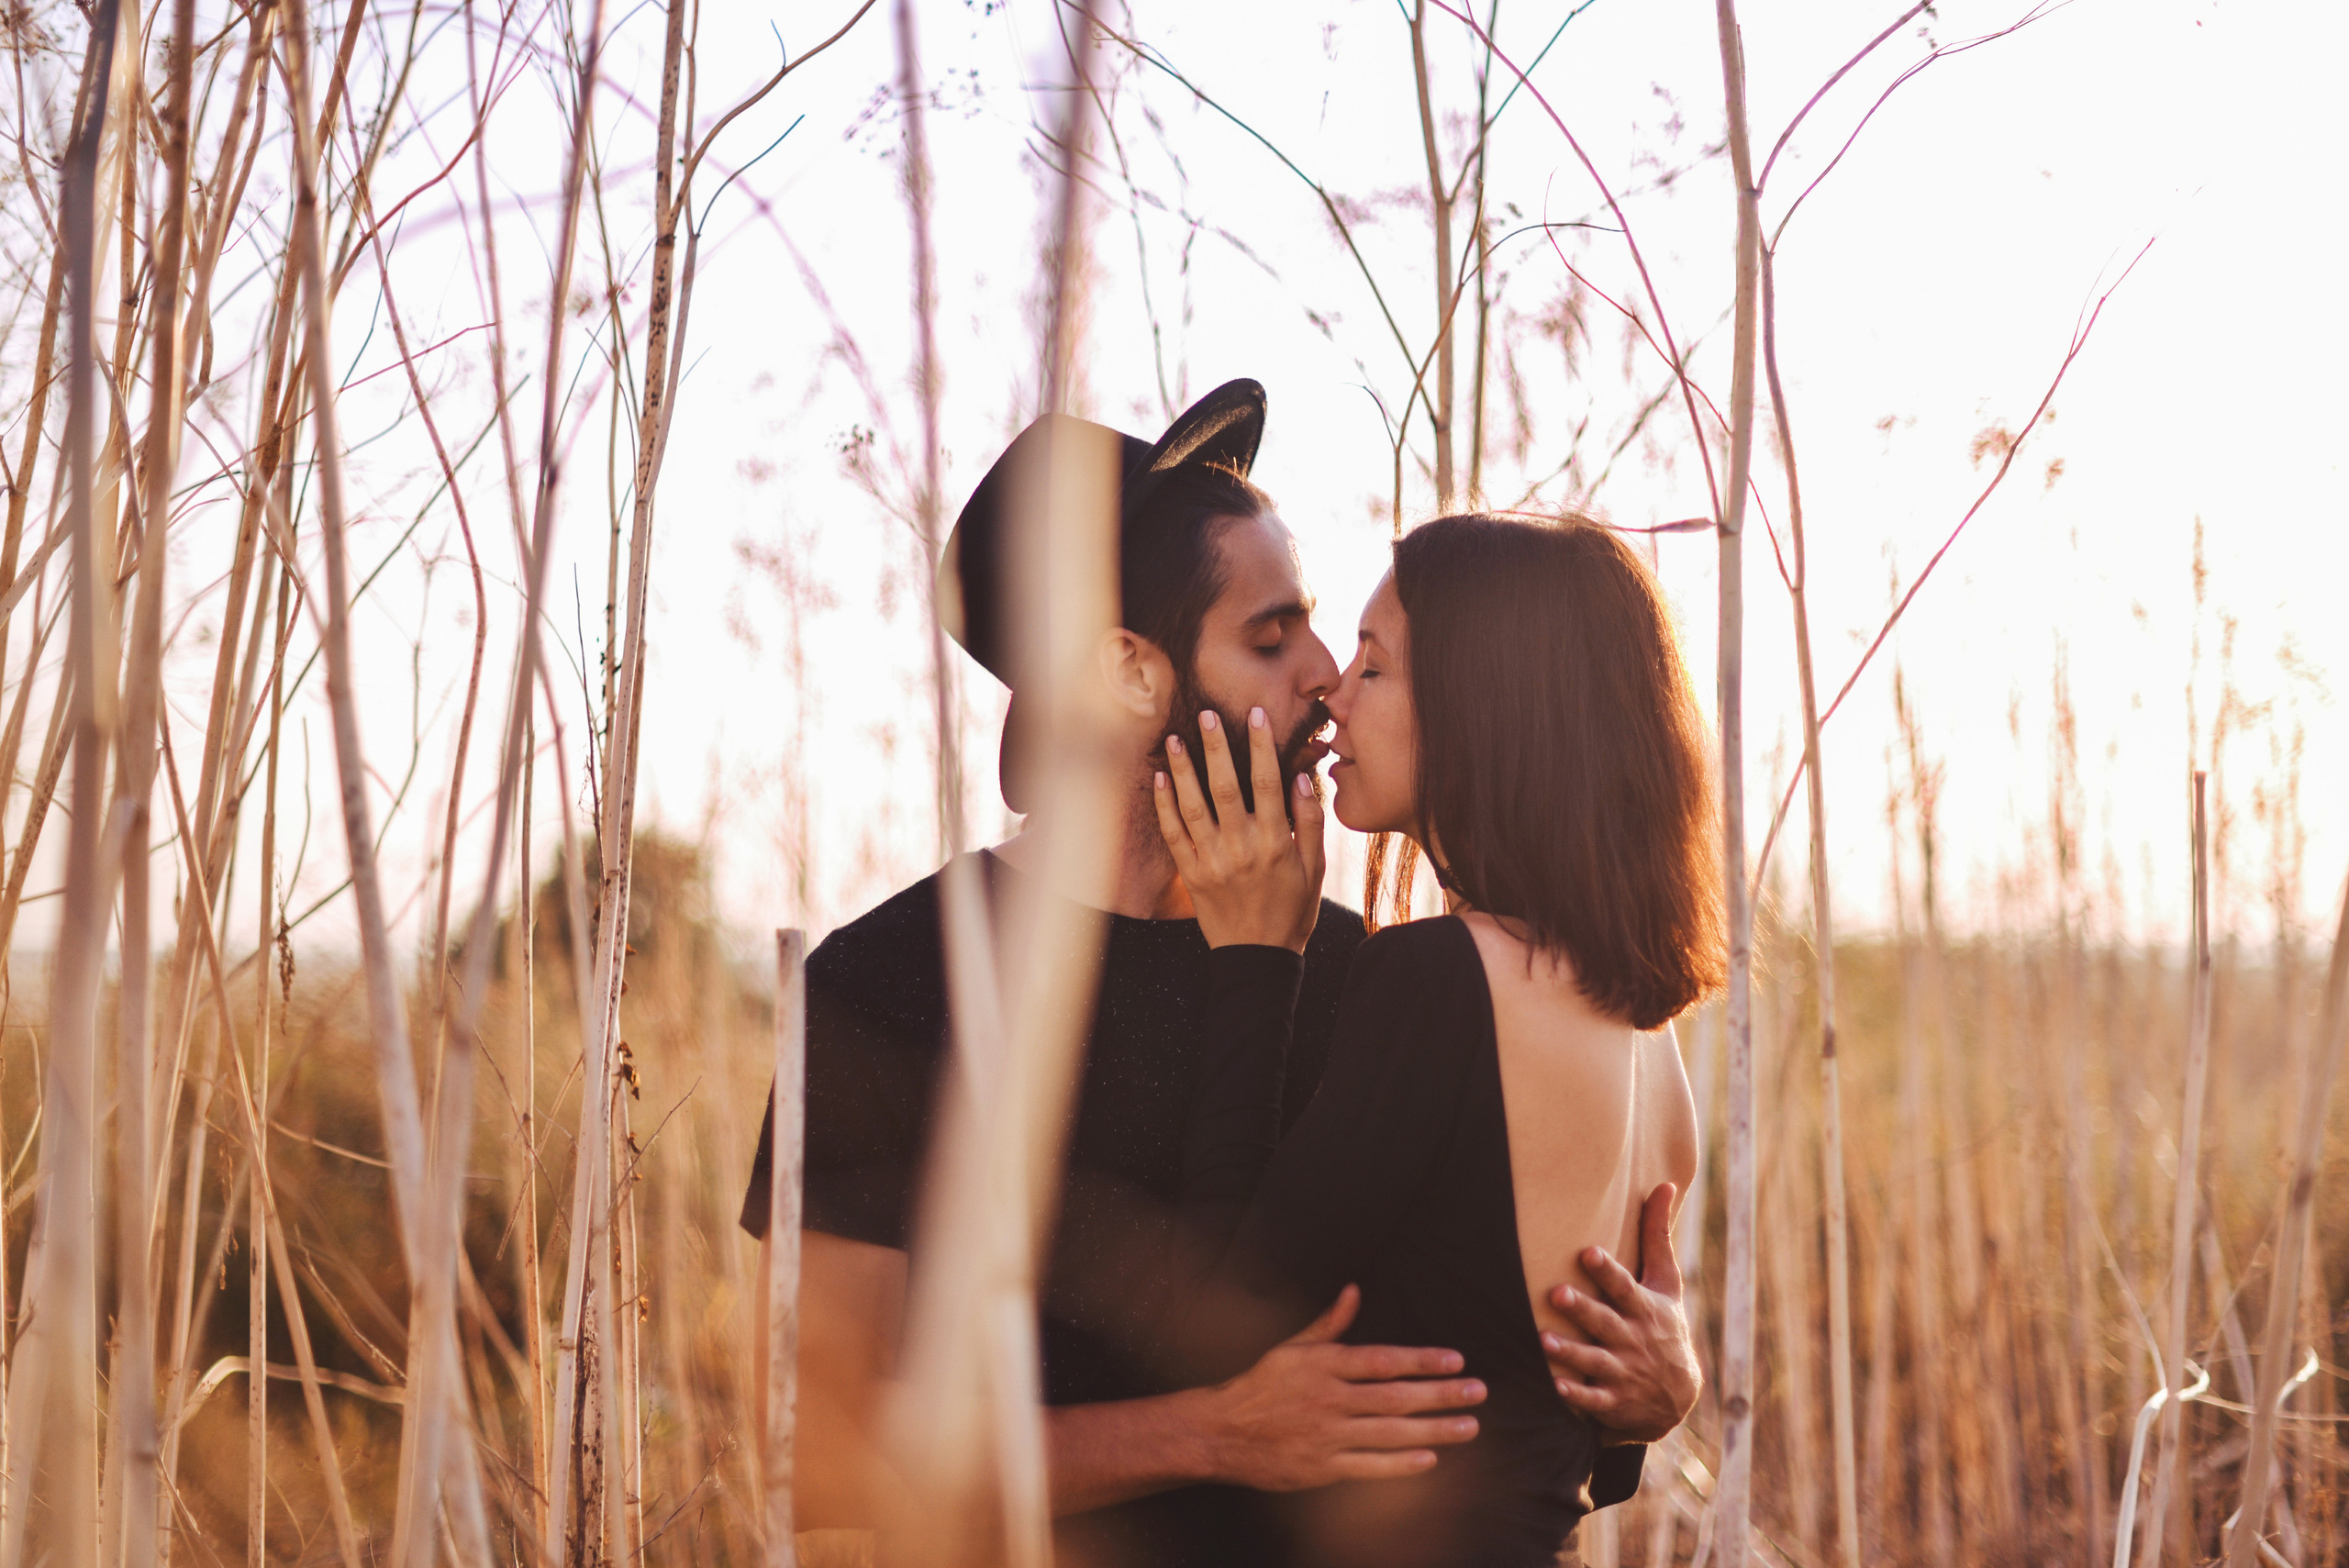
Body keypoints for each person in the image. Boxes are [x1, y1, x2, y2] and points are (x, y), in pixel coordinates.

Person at [740, 386, 1702, 1566]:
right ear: (1131, 673)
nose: (1321, 679)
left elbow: (1478, 1404)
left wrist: (1647, 1393)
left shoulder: (1362, 975)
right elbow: (811, 1447)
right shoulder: (887, 985)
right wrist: (1205, 1436)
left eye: (1333, 640)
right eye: (1270, 636)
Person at [1147, 510, 1725, 1566]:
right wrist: (1666, 1391)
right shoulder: (1649, 1028)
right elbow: (1587, 1448)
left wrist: (1252, 956)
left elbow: (1218, 1331)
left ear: (1483, 708)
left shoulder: (1440, 980)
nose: (1332, 690)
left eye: (1375, 665)